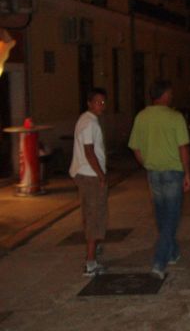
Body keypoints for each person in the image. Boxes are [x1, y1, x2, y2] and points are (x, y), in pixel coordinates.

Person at [128, 80, 190, 280]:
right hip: (173, 171)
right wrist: (187, 172)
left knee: (162, 215)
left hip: (153, 172)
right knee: (171, 217)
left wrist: (147, 163)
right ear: (164, 95)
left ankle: (172, 252)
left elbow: (135, 147)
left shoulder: (141, 117)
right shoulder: (175, 117)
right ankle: (159, 262)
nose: (172, 96)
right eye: (170, 93)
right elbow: (183, 147)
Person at [69, 87, 108, 277]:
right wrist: (100, 174)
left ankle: (94, 252)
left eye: (103, 102)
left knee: (92, 215)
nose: (102, 105)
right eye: (98, 102)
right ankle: (90, 262)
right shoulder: (89, 123)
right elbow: (89, 150)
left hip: (85, 173)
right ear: (89, 103)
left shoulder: (85, 119)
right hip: (90, 175)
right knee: (94, 217)